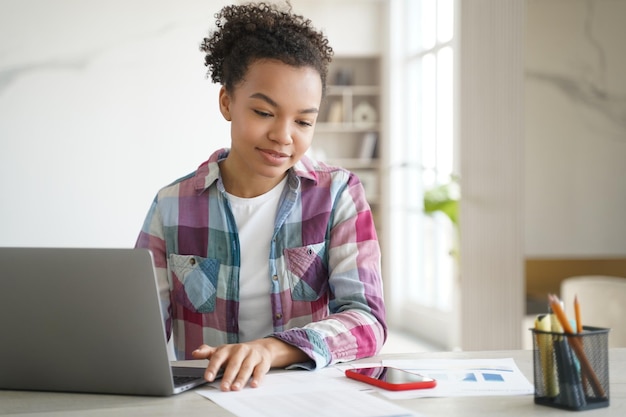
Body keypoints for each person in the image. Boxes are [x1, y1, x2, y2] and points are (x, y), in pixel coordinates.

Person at [135, 1, 387, 392]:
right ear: (227, 103)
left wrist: (271, 350)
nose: (284, 136)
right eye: (264, 113)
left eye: (303, 121)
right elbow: (139, 329)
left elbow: (368, 320)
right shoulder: (172, 205)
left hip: (307, 396)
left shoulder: (338, 194)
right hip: (208, 396)